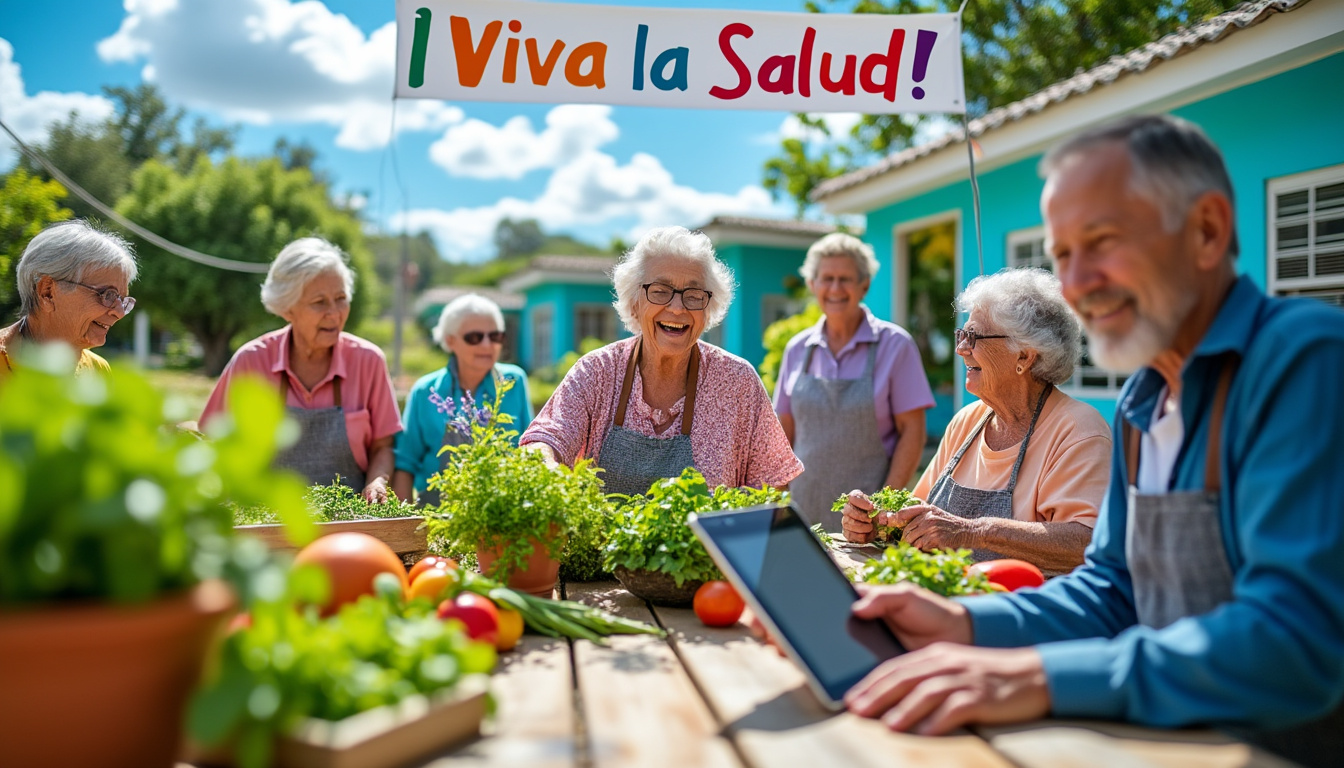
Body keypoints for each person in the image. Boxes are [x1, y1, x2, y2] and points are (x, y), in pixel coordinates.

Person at [838, 115, 1344, 768]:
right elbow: (1111, 590)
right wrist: (963, 625)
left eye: (1102, 241)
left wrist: (1036, 677)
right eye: (1063, 255)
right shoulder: (1142, 400)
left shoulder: (1305, 360)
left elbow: (1294, 642)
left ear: (1208, 231)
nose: (1077, 284)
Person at [841, 268, 1110, 572]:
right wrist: (878, 523)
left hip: (1027, 610)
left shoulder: (1078, 430)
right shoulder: (968, 420)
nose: (960, 349)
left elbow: (1088, 543)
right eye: (962, 334)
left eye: (974, 337)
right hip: (950, 602)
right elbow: (919, 518)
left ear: (1024, 356)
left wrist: (974, 532)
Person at [521, 226, 802, 493]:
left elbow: (771, 486)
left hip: (702, 546)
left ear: (709, 307)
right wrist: (547, 466)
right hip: (601, 545)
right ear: (634, 301)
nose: (677, 308)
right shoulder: (598, 371)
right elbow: (545, 438)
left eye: (693, 295)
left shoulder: (737, 381)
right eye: (660, 291)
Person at [201, 238, 401, 503]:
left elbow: (383, 447)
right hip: (267, 519)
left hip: (350, 525)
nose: (334, 313)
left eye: (340, 299)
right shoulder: (250, 362)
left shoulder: (368, 361)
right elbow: (213, 441)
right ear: (287, 309)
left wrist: (377, 482)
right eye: (319, 302)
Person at [774, 233, 935, 531]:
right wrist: (778, 504)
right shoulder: (797, 349)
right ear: (813, 285)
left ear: (864, 285)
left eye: (845, 279)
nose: (835, 288)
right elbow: (784, 430)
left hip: (868, 519)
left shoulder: (895, 345)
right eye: (827, 278)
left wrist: (884, 511)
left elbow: (913, 432)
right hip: (802, 510)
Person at [392, 293, 533, 505]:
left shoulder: (514, 381)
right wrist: (402, 529)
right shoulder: (426, 391)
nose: (487, 345)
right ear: (450, 340)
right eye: (474, 337)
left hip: (501, 512)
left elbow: (529, 449)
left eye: (495, 336)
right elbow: (405, 463)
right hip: (435, 514)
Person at [0, 220, 137, 376]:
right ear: (48, 292)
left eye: (122, 300)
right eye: (108, 295)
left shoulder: (99, 371)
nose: (119, 312)